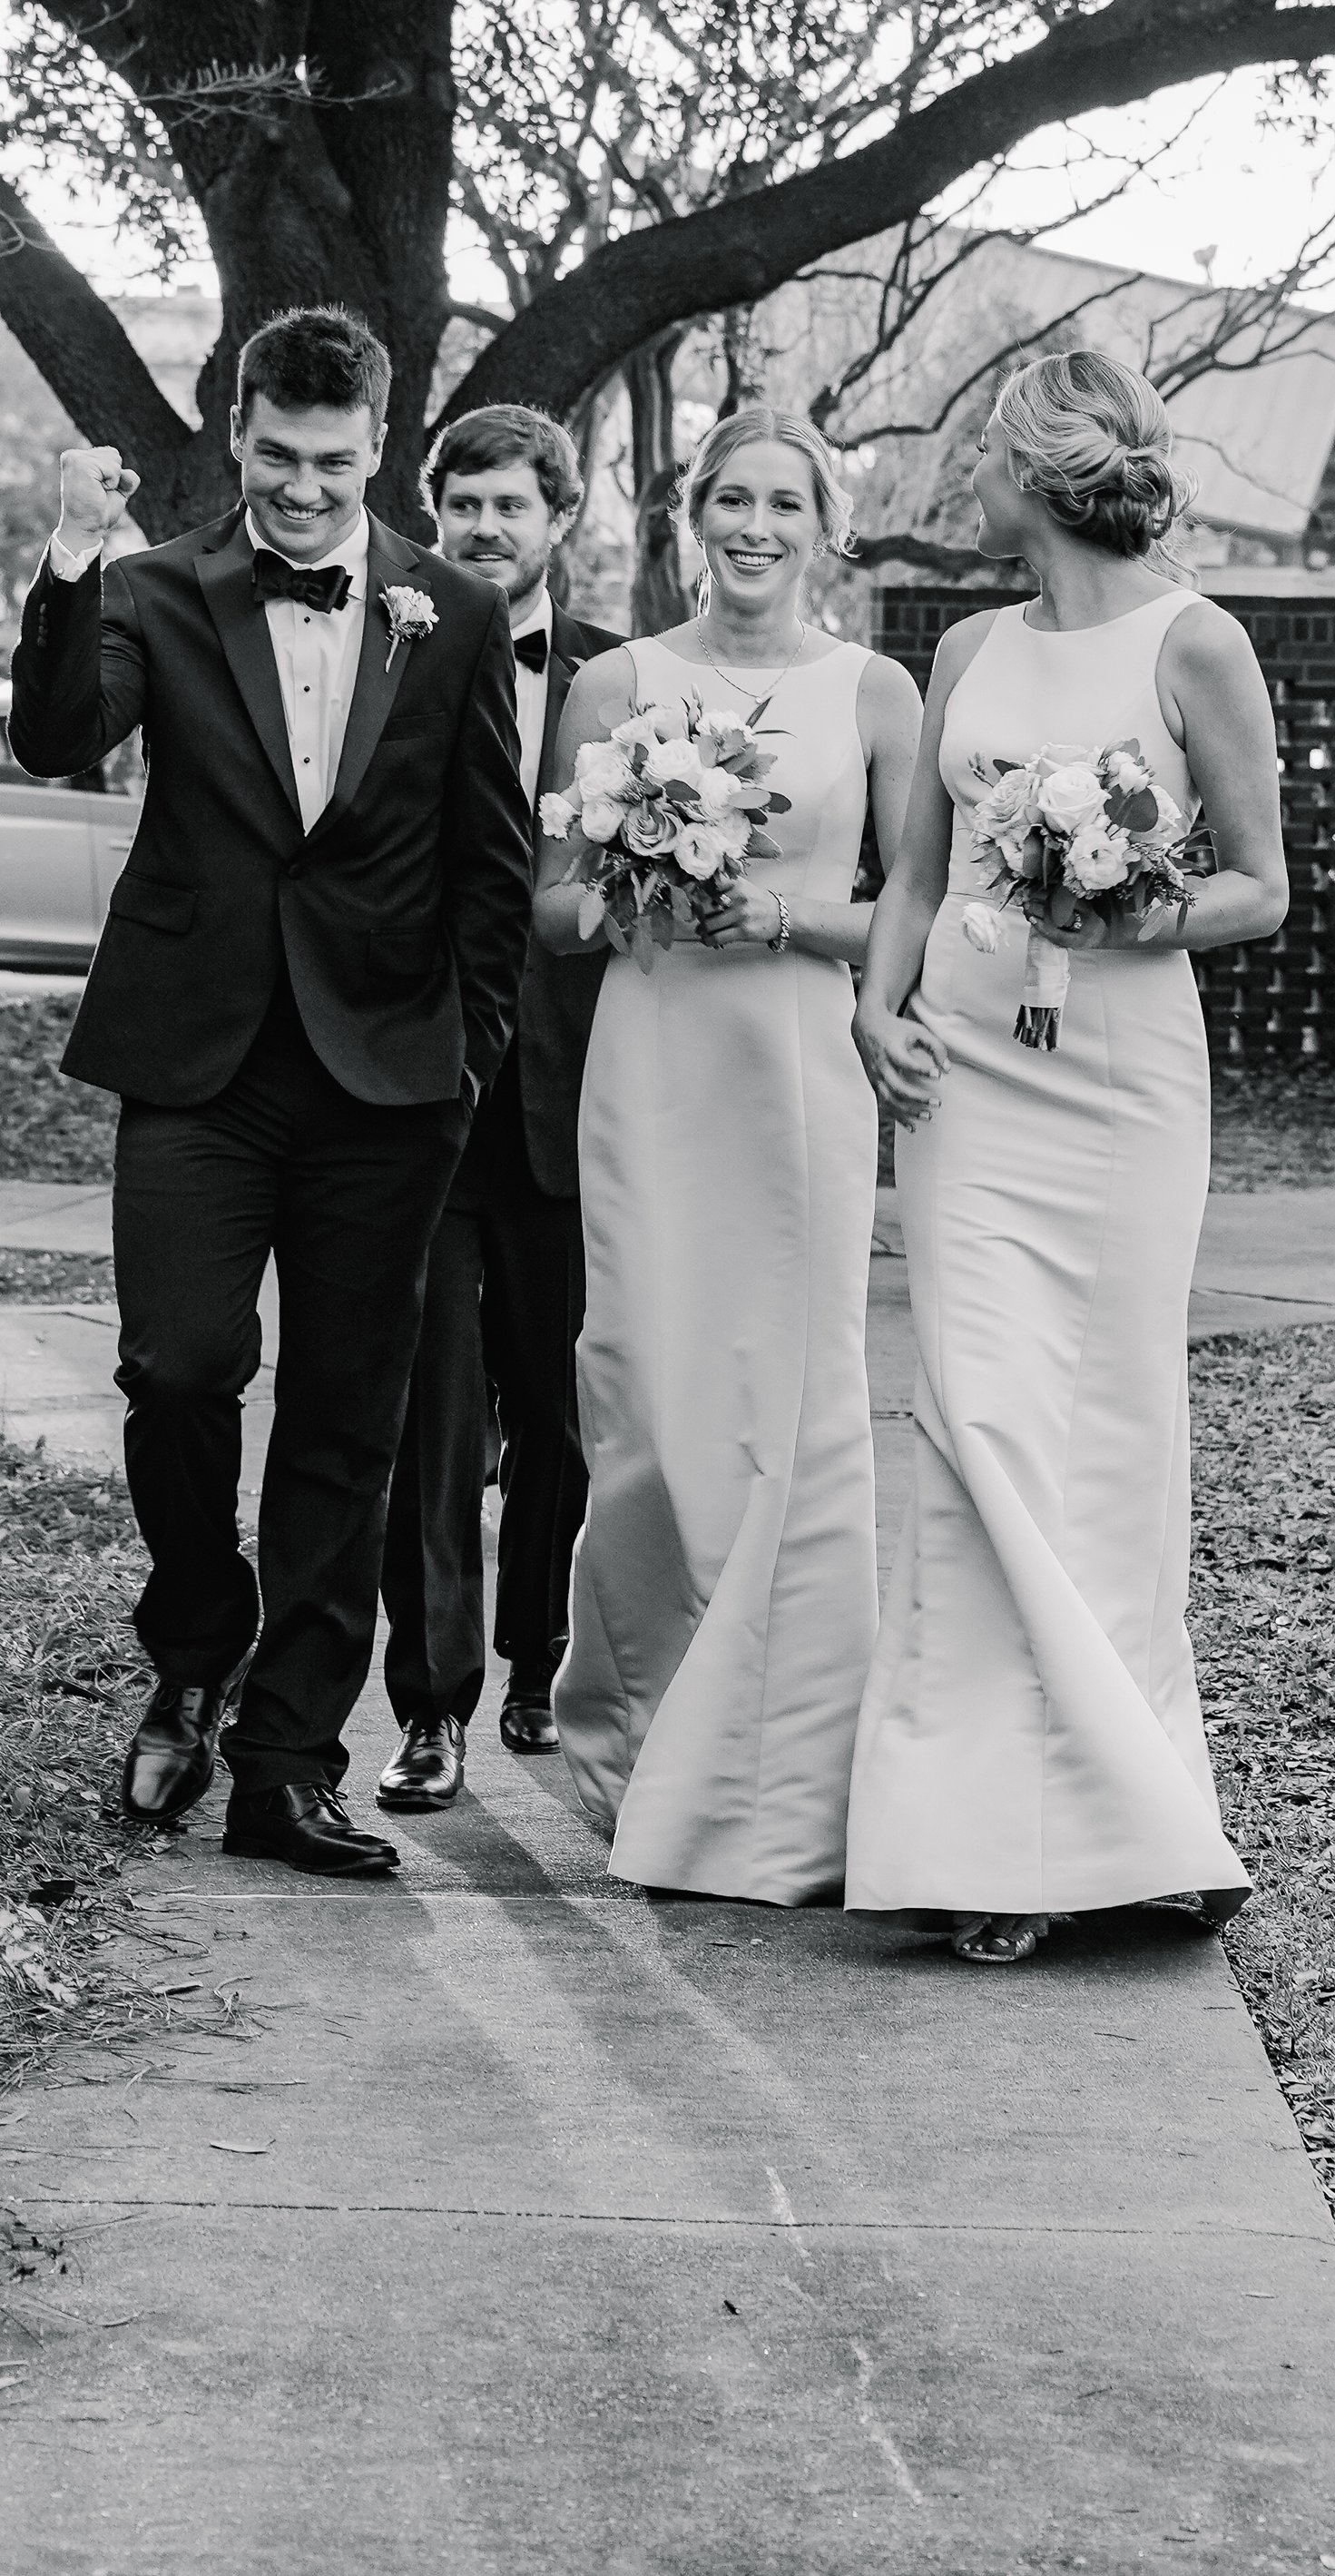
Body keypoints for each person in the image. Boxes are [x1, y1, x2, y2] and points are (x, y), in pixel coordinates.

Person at [9, 309, 533, 1883]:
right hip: (199, 1064)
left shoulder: (449, 608)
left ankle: (291, 1762)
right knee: (178, 1369)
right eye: (275, 457)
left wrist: (468, 1060)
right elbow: (54, 737)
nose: (302, 489)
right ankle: (195, 1642)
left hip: (388, 1081)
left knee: (343, 1425)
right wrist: (68, 556)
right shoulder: (157, 588)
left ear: (377, 447)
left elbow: (490, 853)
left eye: (332, 462)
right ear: (236, 438)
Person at [848, 349, 1288, 1964]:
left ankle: (1129, 1816)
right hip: (964, 1081)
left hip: (1118, 1090)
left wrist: (1122, 905)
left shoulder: (1198, 642)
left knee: (1105, 1433)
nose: (963, 473)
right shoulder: (964, 644)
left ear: (1036, 469)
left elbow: (1261, 885)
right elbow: (914, 873)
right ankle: (976, 1837)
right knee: (972, 1413)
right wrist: (873, 1018)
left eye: (979, 448)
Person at [535, 406, 923, 1907]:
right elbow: (551, 909)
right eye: (732, 498)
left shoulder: (876, 694)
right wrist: (631, 891)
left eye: (786, 502)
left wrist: (777, 916)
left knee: (798, 1404)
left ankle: (794, 1778)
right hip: (654, 1059)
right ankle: (643, 1750)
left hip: (798, 1073)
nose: (757, 524)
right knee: (644, 1386)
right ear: (693, 513)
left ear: (827, 527)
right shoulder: (623, 684)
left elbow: (908, 913)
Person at [376, 408, 622, 1814]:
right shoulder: (389, 659)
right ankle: (429, 1707)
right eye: (461, 503)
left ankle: (542, 1658)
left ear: (558, 519)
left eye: (509, 505)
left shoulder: (625, 679)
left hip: (580, 1104)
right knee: (433, 1415)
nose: (483, 526)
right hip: (420, 1096)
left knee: (564, 1412)